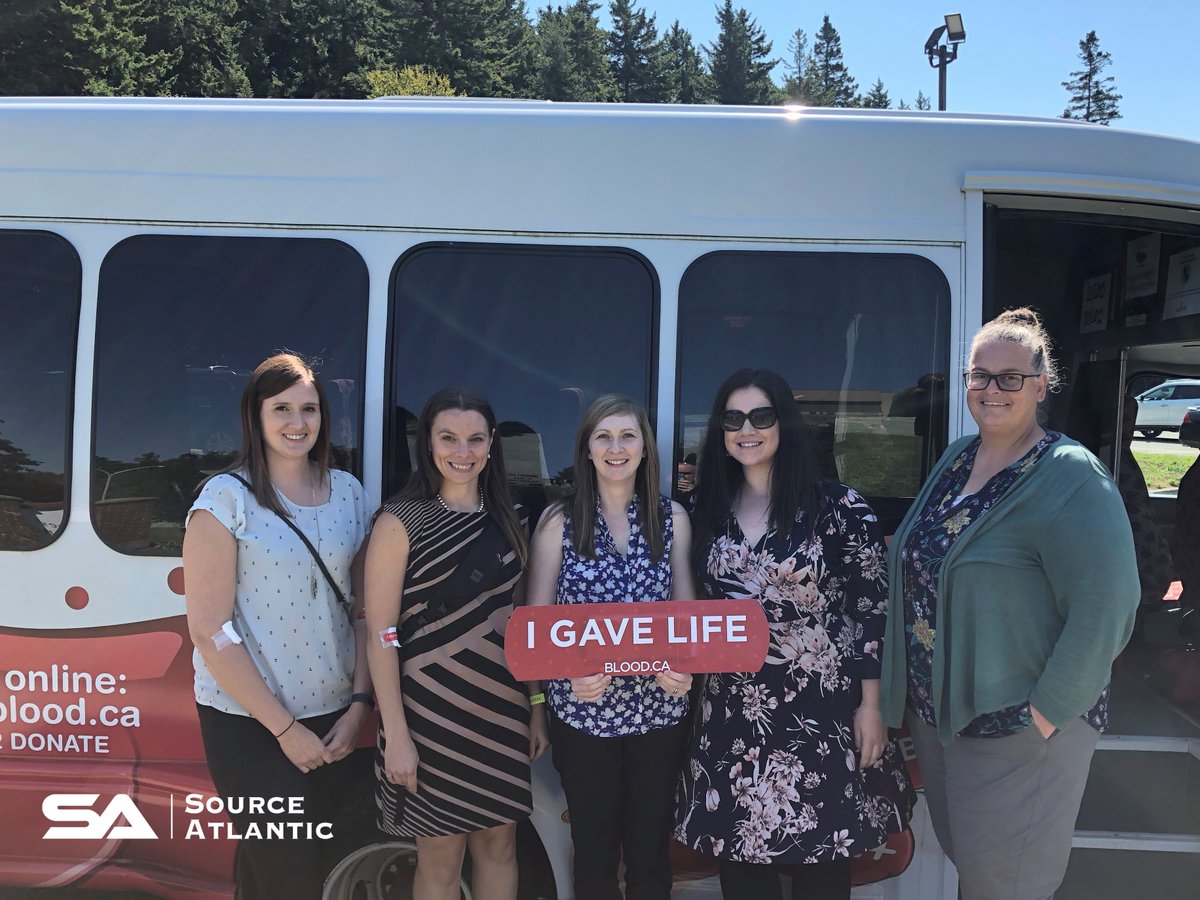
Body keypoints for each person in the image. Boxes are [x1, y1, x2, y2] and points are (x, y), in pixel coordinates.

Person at [879, 308, 1140, 900]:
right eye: (980, 376)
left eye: (1009, 378)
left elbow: (1110, 604)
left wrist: (1044, 716)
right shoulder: (957, 460)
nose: (991, 390)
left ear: (1041, 385)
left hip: (1019, 727)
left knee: (1008, 885)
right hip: (944, 721)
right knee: (978, 874)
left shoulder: (1070, 476)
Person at [674, 369, 914, 900]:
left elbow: (868, 611)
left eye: (761, 416)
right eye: (733, 419)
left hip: (820, 706)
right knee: (742, 862)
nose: (747, 429)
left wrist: (870, 705)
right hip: (732, 705)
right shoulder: (702, 511)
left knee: (823, 860)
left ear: (784, 423)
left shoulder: (840, 508)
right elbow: (685, 608)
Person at [183, 352, 373, 900]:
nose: (298, 422)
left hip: (334, 717)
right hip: (250, 726)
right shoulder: (225, 500)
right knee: (288, 873)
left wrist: (359, 703)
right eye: (282, 408)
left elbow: (361, 610)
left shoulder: (350, 494)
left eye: (309, 408)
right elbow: (210, 631)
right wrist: (285, 731)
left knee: (279, 870)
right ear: (256, 416)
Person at [365, 387, 543, 900]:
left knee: (501, 849)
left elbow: (524, 624)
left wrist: (534, 706)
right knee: (441, 863)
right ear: (428, 444)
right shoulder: (400, 521)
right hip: (429, 718)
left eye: (475, 439)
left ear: (491, 446)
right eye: (448, 438)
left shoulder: (512, 518)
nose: (462, 452)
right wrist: (395, 734)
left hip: (502, 711)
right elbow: (381, 635)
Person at [526, 393, 695, 900]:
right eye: (603, 436)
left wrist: (683, 669)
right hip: (584, 717)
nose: (616, 447)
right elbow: (535, 626)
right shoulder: (559, 521)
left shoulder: (673, 519)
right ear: (587, 449)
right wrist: (563, 679)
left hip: (658, 714)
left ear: (645, 448)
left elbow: (687, 619)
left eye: (627, 436)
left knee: (649, 855)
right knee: (594, 856)